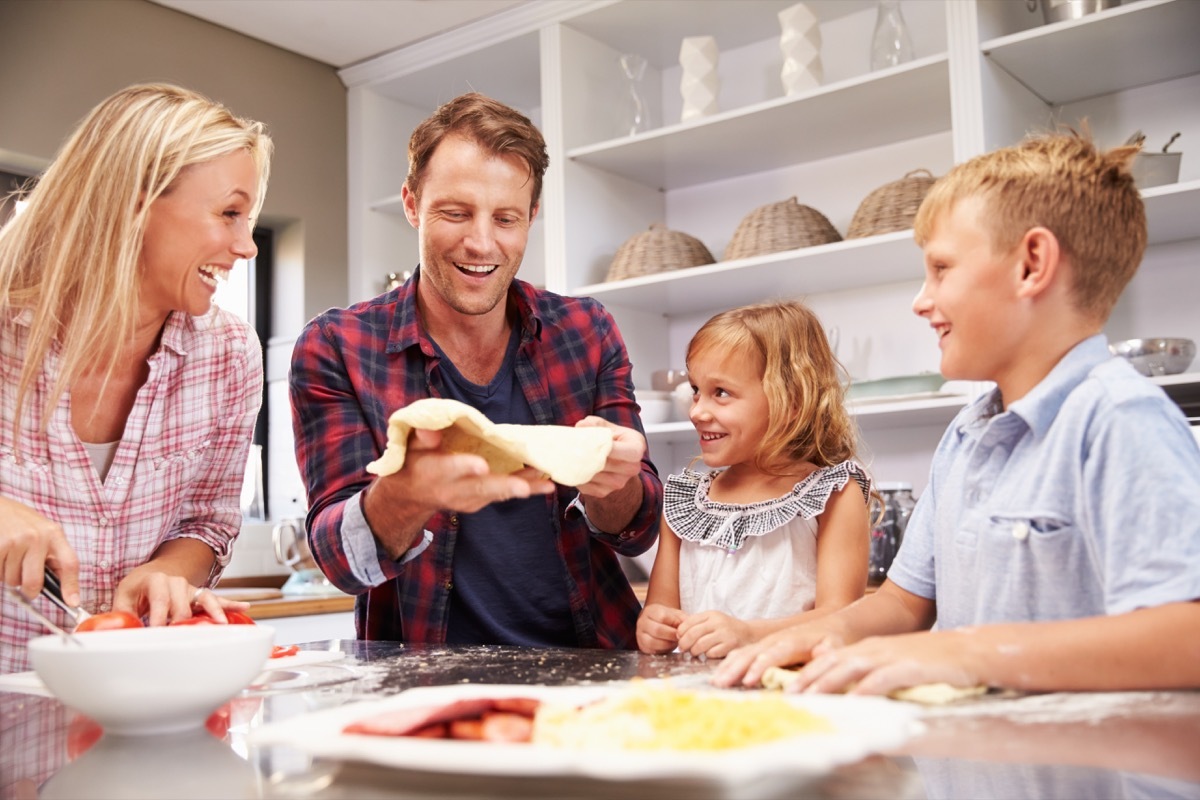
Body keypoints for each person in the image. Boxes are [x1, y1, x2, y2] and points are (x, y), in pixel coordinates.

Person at [714, 131, 1200, 694]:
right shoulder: (966, 437)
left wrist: (971, 652)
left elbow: (1186, 636)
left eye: (941, 269)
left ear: (1031, 265)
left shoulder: (1119, 420)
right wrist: (818, 635)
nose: (922, 300)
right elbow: (902, 603)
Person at [289, 92, 662, 649]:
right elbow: (341, 562)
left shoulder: (586, 330)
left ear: (532, 216)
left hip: (594, 666)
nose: (481, 243)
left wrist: (616, 485)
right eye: (455, 212)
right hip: (425, 684)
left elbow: (636, 530)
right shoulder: (337, 346)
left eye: (506, 218)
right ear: (412, 204)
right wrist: (406, 495)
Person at [0, 83, 271, 673]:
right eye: (228, 212)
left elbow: (208, 522)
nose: (247, 245)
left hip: (133, 704)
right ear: (133, 201)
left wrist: (167, 573)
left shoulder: (228, 355)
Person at [636, 301, 872, 658]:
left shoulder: (834, 493)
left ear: (791, 400)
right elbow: (661, 613)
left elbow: (841, 619)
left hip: (791, 697)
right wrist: (652, 626)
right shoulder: (685, 502)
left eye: (721, 393)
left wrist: (749, 635)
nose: (697, 411)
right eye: (696, 390)